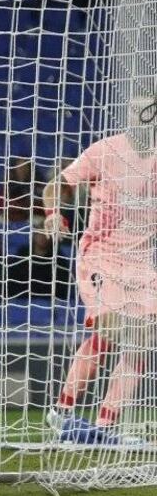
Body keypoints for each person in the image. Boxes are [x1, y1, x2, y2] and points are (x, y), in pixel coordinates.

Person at [43, 92, 157, 443]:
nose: (142, 117)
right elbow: (57, 184)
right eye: (136, 111)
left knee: (144, 340)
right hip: (101, 257)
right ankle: (61, 413)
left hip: (142, 264)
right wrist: (53, 213)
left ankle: (106, 426)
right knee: (109, 331)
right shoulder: (105, 150)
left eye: (148, 112)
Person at [7, 231, 71, 300]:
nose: (43, 237)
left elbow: (61, 285)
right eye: (40, 233)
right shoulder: (23, 253)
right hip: (23, 298)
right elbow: (13, 278)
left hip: (48, 299)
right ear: (34, 235)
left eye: (46, 234)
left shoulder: (58, 258)